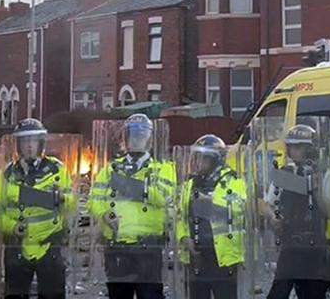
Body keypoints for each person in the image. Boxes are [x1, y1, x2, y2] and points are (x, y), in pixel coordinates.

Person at [87, 113, 176, 299]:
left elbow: (162, 198)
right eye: (133, 135)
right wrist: (104, 213)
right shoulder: (111, 169)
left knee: (150, 295)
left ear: (149, 140)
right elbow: (94, 199)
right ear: (125, 139)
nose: (137, 140)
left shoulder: (163, 168)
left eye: (141, 136)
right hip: (116, 246)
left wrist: (127, 185)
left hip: (148, 247)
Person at [0, 118, 74, 299]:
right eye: (25, 141)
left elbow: (72, 202)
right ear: (18, 145)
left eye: (33, 141)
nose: (29, 146)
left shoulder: (56, 169)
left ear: (40, 143)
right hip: (18, 247)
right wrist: (13, 227)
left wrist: (61, 198)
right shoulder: (7, 174)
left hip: (49, 246)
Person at [263, 124, 330, 299]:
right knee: (278, 293)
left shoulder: (324, 173)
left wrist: (315, 186)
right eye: (291, 147)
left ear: (310, 149)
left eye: (298, 147)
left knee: (312, 294)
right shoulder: (285, 174)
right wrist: (273, 218)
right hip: (291, 244)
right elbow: (265, 204)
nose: (292, 152)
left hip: (315, 245)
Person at [176, 135, 245, 299]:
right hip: (196, 256)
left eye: (203, 157)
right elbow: (181, 215)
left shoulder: (233, 180)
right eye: (196, 157)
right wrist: (184, 237)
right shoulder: (191, 184)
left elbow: (240, 209)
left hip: (222, 257)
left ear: (215, 159)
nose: (198, 162)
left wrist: (211, 202)